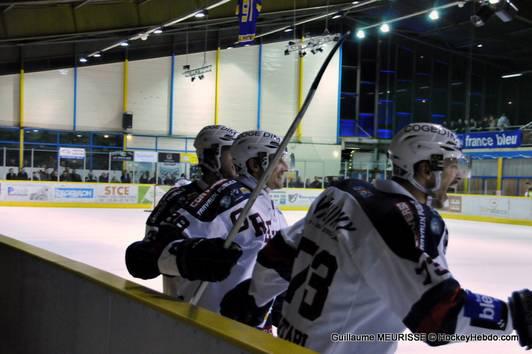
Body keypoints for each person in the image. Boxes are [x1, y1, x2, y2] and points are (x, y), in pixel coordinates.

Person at [220, 123, 532, 354]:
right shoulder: (406, 219)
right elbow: (439, 316)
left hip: (288, 345)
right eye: (452, 166)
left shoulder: (339, 193)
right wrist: (516, 316)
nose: (459, 176)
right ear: (426, 170)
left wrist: (254, 298)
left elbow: (278, 255)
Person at [152, 130, 289, 315]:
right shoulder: (227, 196)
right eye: (278, 159)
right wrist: (191, 256)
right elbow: (157, 250)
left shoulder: (271, 207)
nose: (286, 167)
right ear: (255, 164)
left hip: (249, 321)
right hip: (209, 319)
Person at [126, 125, 240, 297]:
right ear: (212, 155)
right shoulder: (178, 198)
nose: (237, 160)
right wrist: (189, 257)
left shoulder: (247, 198)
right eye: (231, 153)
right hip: (189, 305)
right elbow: (147, 258)